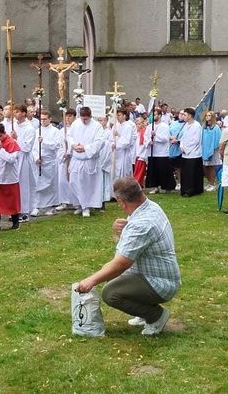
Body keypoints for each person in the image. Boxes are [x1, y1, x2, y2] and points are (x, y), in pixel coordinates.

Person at [75, 178, 180, 336]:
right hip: (156, 275)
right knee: (111, 275)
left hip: (160, 283)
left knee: (111, 293)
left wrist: (91, 280)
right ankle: (143, 312)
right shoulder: (149, 207)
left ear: (122, 202)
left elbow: (121, 264)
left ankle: (155, 316)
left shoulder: (142, 223)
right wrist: (121, 231)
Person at [66, 107, 106, 217]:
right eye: (83, 119)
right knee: (74, 182)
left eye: (86, 119)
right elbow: (69, 136)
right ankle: (79, 204)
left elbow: (100, 142)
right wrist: (73, 145)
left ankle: (86, 206)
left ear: (90, 116)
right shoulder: (76, 124)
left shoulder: (96, 126)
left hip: (89, 159)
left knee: (86, 184)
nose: (84, 121)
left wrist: (86, 148)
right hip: (77, 159)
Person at [31, 110, 62, 216]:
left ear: (50, 119)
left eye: (45, 119)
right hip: (39, 162)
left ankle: (50, 206)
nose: (43, 121)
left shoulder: (55, 131)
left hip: (50, 162)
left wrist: (44, 142)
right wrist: (36, 158)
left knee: (50, 185)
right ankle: (37, 206)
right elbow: (33, 148)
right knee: (38, 183)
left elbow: (56, 146)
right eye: (41, 119)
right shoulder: (36, 131)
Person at [144, 108, 176, 194]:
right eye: (153, 115)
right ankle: (155, 186)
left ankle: (166, 186)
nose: (154, 116)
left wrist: (156, 135)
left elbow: (165, 139)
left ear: (160, 115)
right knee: (153, 171)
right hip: (153, 152)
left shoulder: (164, 126)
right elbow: (145, 137)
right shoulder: (150, 126)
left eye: (155, 114)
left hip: (162, 153)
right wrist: (148, 141)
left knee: (163, 171)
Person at [177, 108, 204, 197]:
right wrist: (181, 146)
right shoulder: (185, 125)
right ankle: (185, 189)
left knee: (192, 173)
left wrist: (187, 149)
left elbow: (196, 140)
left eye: (185, 115)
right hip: (185, 153)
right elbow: (183, 137)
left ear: (190, 116)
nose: (183, 116)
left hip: (193, 153)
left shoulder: (196, 126)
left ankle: (193, 190)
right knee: (185, 173)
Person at [201, 111, 222, 193]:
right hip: (204, 149)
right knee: (205, 167)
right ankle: (209, 182)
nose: (207, 117)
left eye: (209, 115)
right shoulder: (204, 127)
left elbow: (218, 139)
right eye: (206, 115)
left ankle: (212, 183)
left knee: (211, 167)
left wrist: (213, 148)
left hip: (213, 150)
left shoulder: (216, 128)